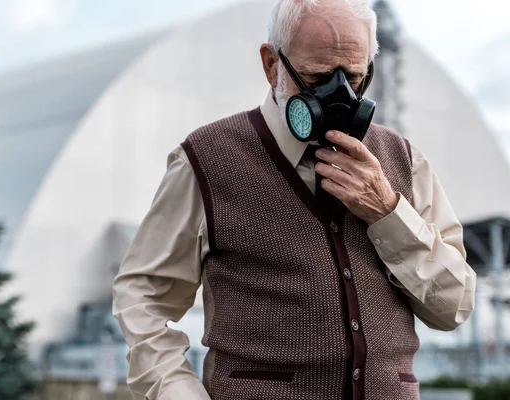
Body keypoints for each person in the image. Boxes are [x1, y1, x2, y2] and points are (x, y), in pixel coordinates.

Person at [112, 0, 476, 399]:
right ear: (271, 65)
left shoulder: (405, 161)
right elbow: (142, 298)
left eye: (353, 77)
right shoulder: (207, 159)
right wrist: (179, 392)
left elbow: (453, 307)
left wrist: (387, 211)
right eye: (317, 76)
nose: (339, 95)